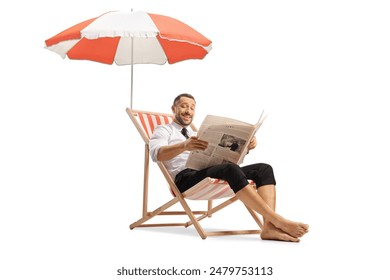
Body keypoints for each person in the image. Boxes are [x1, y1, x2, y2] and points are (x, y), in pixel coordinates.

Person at [149, 93, 309, 242]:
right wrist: (185, 145)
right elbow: (157, 154)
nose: (188, 111)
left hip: (206, 173)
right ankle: (277, 220)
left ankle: (268, 227)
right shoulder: (163, 130)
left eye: (192, 107)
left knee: (263, 169)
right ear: (173, 108)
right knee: (229, 169)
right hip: (185, 180)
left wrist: (245, 147)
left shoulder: (197, 132)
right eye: (184, 106)